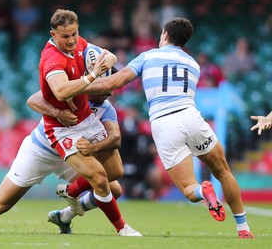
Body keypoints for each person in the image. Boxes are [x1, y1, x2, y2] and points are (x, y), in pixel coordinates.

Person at [83, 17, 254, 238]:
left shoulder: (148, 56)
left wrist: (76, 88)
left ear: (164, 34)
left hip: (164, 122)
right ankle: (243, 228)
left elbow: (113, 83)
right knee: (222, 171)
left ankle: (203, 191)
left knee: (189, 189)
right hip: (191, 116)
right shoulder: (194, 64)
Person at [0, 91, 130, 235]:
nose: (111, 91)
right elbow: (33, 99)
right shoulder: (70, 89)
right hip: (41, 150)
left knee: (112, 189)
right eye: (106, 84)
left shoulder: (106, 108)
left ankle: (64, 216)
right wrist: (58, 113)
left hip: (71, 154)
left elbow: (116, 138)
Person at [36, 9, 140, 236]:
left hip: (85, 118)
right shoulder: (52, 59)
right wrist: (92, 75)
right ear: (53, 35)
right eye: (65, 36)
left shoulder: (79, 44)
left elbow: (110, 56)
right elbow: (61, 91)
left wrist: (106, 61)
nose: (72, 40)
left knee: (115, 172)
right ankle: (122, 228)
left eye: (74, 33)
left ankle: (72, 192)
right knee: (100, 179)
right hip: (62, 128)